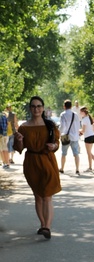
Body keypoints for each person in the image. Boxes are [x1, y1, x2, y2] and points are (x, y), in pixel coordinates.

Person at [14, 95, 61, 239]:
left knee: (47, 195)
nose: (36, 109)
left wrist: (54, 146)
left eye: (39, 106)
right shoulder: (24, 127)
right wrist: (19, 140)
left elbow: (57, 143)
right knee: (38, 196)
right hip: (32, 163)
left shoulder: (50, 125)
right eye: (33, 106)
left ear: (43, 108)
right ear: (30, 108)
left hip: (47, 161)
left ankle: (47, 227)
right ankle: (42, 224)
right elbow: (19, 148)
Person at [59, 100, 81, 176]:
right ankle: (77, 169)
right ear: (71, 106)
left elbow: (62, 126)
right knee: (76, 154)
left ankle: (62, 168)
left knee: (64, 153)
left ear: (64, 106)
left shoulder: (63, 114)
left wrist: (59, 133)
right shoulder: (75, 115)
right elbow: (78, 125)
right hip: (74, 137)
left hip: (66, 137)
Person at [79, 106, 94, 172]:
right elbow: (92, 128)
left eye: (80, 112)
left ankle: (91, 167)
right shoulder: (89, 118)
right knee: (89, 152)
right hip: (92, 136)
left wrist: (78, 131)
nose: (80, 113)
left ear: (83, 112)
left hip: (88, 137)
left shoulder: (84, 120)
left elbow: (83, 130)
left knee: (88, 153)